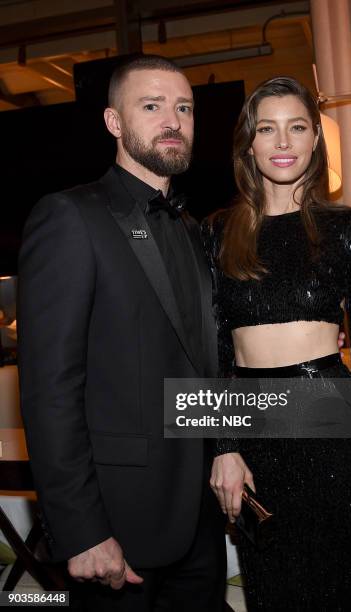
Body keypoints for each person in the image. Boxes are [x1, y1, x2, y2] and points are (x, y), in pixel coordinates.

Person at [18, 54, 226, 612]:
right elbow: (49, 390)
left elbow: (197, 366)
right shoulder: (69, 217)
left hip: (198, 520)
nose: (173, 121)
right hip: (116, 525)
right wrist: (81, 530)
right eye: (152, 106)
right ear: (114, 122)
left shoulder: (192, 229)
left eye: (184, 107)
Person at [202, 76, 351, 611]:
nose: (283, 143)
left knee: (344, 586)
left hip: (332, 428)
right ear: (249, 144)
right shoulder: (217, 232)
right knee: (274, 590)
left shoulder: (350, 228)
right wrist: (225, 447)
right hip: (255, 432)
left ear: (316, 139)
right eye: (267, 129)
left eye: (296, 128)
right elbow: (215, 347)